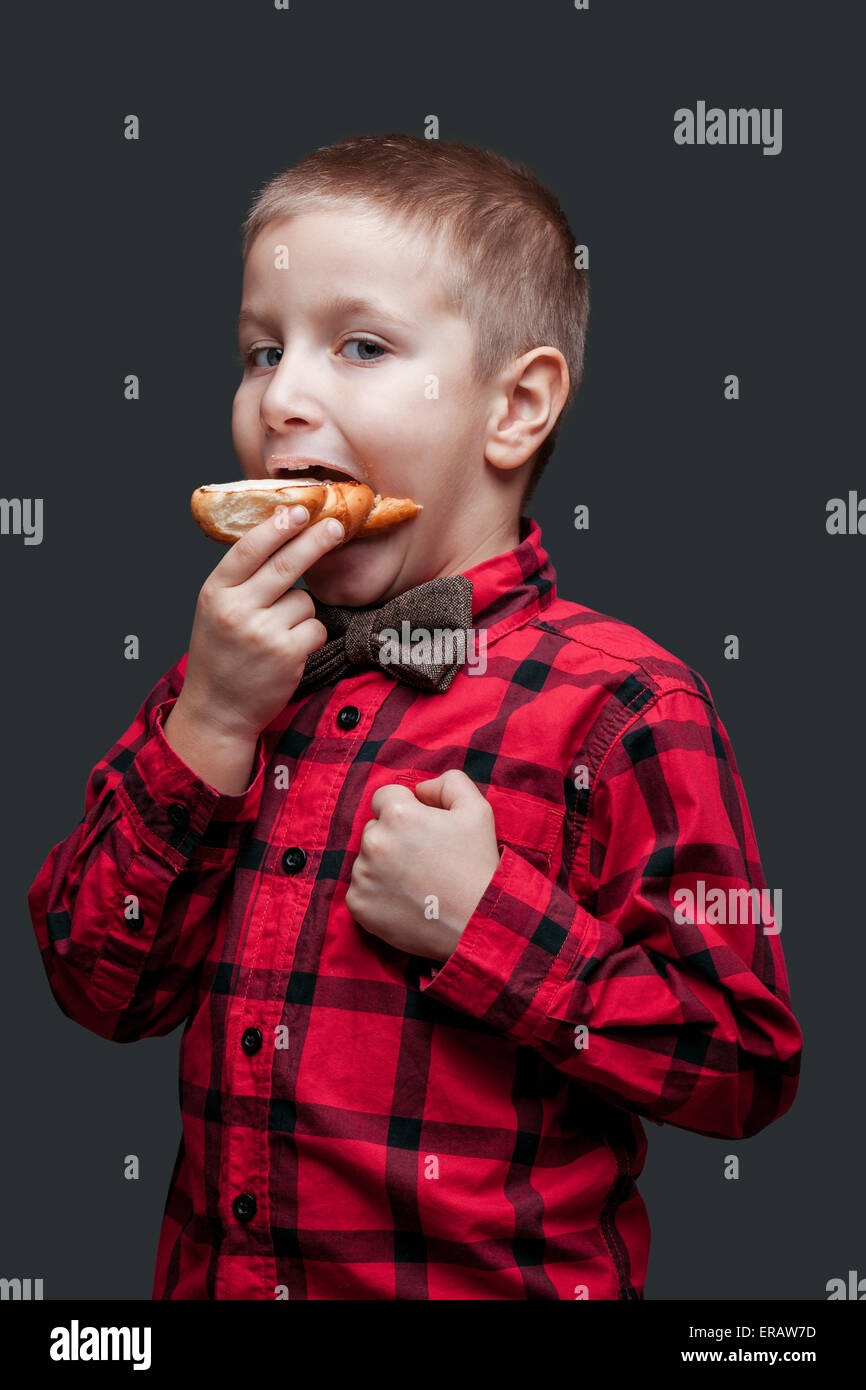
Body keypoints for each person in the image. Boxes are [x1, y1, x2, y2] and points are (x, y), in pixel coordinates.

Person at [27, 133, 802, 1300]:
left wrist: (487, 918)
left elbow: (738, 1065)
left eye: (359, 346)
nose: (281, 397)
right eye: (256, 352)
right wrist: (210, 727)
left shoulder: (622, 703)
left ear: (514, 406)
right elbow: (96, 988)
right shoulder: (225, 678)